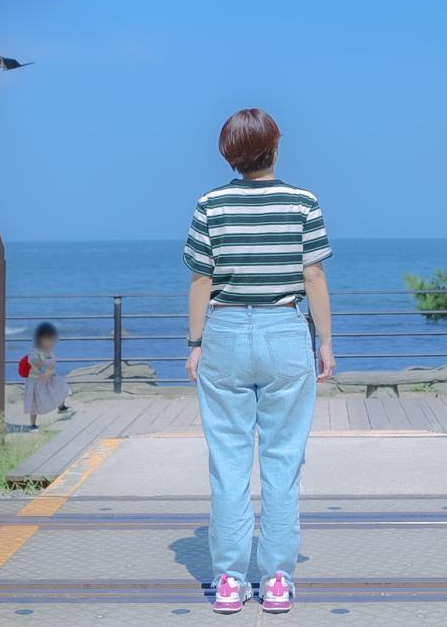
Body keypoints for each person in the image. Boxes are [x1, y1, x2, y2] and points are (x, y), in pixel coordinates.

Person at [183, 108, 335, 616]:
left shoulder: (211, 204)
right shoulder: (302, 202)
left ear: (229, 154)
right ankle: (275, 580)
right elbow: (312, 276)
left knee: (227, 462)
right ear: (275, 147)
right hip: (284, 328)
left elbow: (201, 280)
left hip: (224, 330)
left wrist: (195, 343)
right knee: (283, 460)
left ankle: (228, 579)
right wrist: (325, 343)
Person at [23, 321, 71, 431]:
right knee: (34, 403)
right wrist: (46, 371)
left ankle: (61, 406)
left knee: (61, 384)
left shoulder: (47, 350)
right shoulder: (34, 351)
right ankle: (33, 424)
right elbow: (35, 364)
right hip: (36, 381)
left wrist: (49, 372)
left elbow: (51, 361)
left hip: (47, 378)